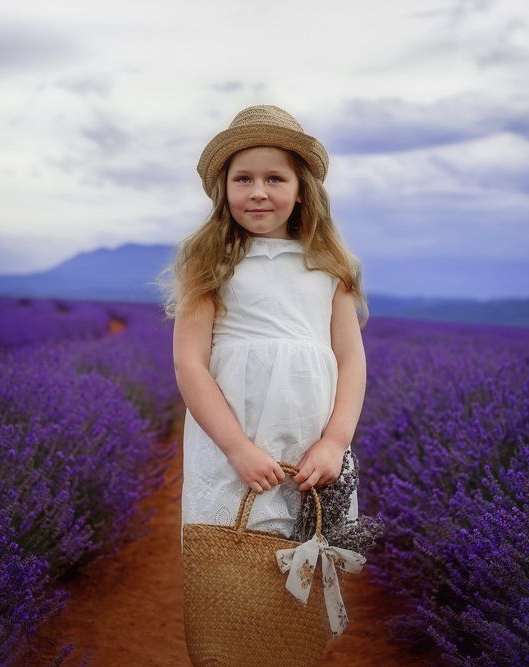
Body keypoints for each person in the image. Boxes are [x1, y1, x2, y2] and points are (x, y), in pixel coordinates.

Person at [162, 104, 384, 556]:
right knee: (228, 558)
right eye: (243, 178)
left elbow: (350, 359)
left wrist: (335, 443)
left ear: (302, 190)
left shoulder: (329, 267)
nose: (258, 192)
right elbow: (190, 364)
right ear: (224, 190)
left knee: (303, 564)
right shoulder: (210, 264)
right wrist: (238, 449)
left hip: (310, 444)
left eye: (275, 179)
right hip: (230, 443)